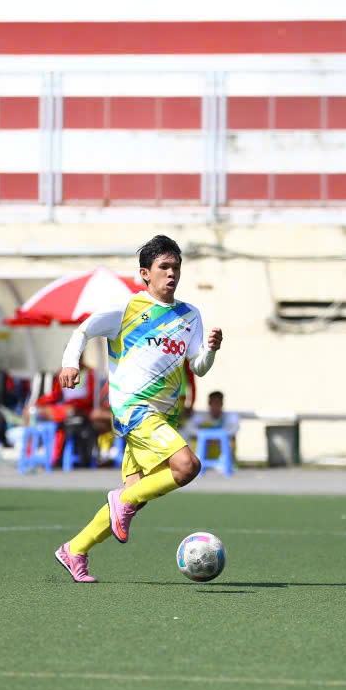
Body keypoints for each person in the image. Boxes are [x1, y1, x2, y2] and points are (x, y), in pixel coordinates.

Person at [54, 235, 223, 583]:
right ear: (145, 273)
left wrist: (211, 350)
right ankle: (122, 500)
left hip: (163, 416)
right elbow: (84, 330)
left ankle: (75, 549)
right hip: (134, 409)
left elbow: (198, 366)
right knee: (187, 466)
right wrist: (70, 363)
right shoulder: (127, 309)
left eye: (176, 267)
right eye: (164, 267)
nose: (172, 273)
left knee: (137, 495)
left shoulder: (190, 315)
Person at [184, 390, 240, 459]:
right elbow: (188, 429)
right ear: (209, 403)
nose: (216, 406)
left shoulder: (229, 417)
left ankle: (230, 460)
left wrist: (212, 437)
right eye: (213, 403)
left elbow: (235, 429)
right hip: (202, 458)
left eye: (218, 403)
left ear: (222, 404)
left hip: (222, 459)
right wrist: (208, 437)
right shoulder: (200, 417)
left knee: (232, 438)